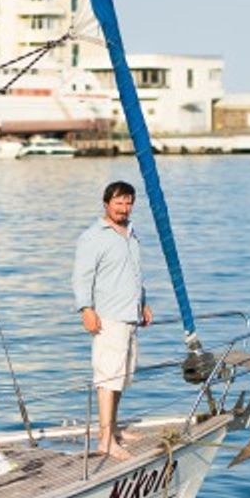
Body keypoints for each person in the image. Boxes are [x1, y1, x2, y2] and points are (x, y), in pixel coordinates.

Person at [72, 180, 153, 460]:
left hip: (129, 314)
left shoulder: (131, 233)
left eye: (129, 202)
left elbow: (134, 273)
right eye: (119, 203)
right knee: (108, 378)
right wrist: (86, 309)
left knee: (121, 377)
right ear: (106, 204)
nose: (124, 208)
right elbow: (82, 276)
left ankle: (113, 429)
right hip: (108, 317)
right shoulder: (93, 236)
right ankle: (106, 441)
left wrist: (143, 302)